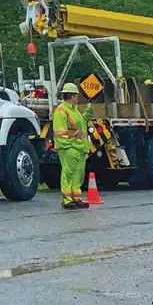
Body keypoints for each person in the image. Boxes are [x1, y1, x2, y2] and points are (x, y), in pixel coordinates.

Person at [52, 82, 93, 210]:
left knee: (78, 175)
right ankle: (67, 200)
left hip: (79, 148)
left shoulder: (74, 110)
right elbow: (60, 131)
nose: (77, 97)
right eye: (76, 95)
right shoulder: (61, 110)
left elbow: (78, 127)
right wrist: (68, 147)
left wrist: (86, 116)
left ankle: (76, 198)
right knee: (68, 173)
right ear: (73, 96)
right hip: (70, 148)